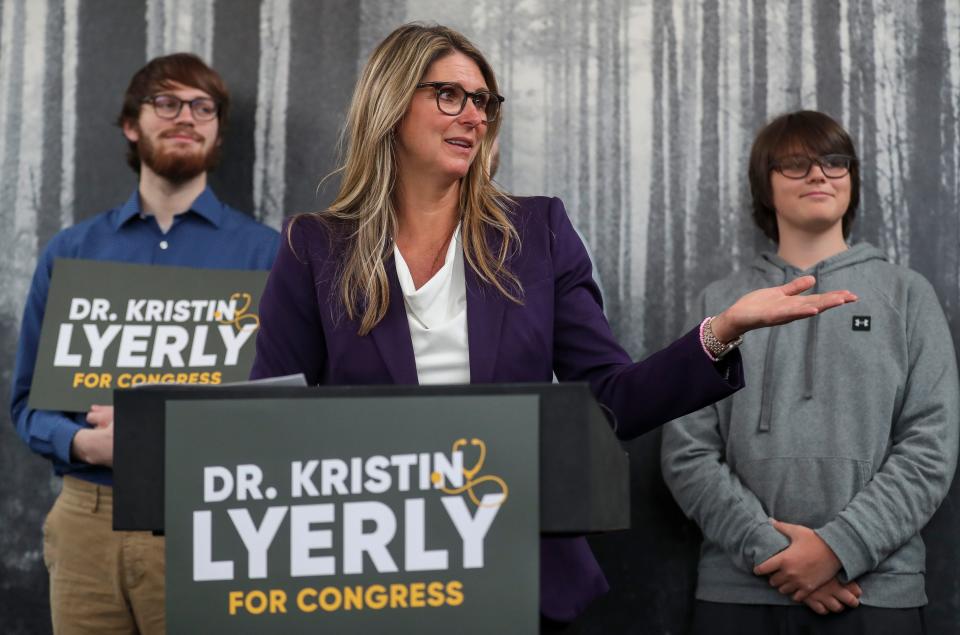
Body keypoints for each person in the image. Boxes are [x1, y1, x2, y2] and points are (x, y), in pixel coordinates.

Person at [249, 25, 855, 628]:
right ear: (391, 102)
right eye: (450, 95)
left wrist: (722, 330)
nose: (474, 116)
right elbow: (272, 424)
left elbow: (609, 400)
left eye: (483, 100)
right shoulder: (317, 247)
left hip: (517, 568)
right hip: (366, 575)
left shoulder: (535, 233)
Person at [9, 53, 279, 634]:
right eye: (167, 103)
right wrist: (84, 444)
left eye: (202, 107)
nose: (186, 117)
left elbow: (288, 410)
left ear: (216, 129)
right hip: (85, 523)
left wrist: (171, 435)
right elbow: (27, 404)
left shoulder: (267, 256)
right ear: (132, 125)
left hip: (212, 518)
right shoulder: (71, 252)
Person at [661, 110, 959, 635]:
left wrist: (839, 549)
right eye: (796, 164)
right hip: (739, 592)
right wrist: (779, 556)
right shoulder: (721, 303)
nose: (819, 175)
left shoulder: (907, 295)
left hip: (877, 592)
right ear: (764, 186)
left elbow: (931, 446)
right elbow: (687, 452)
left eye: (834, 162)